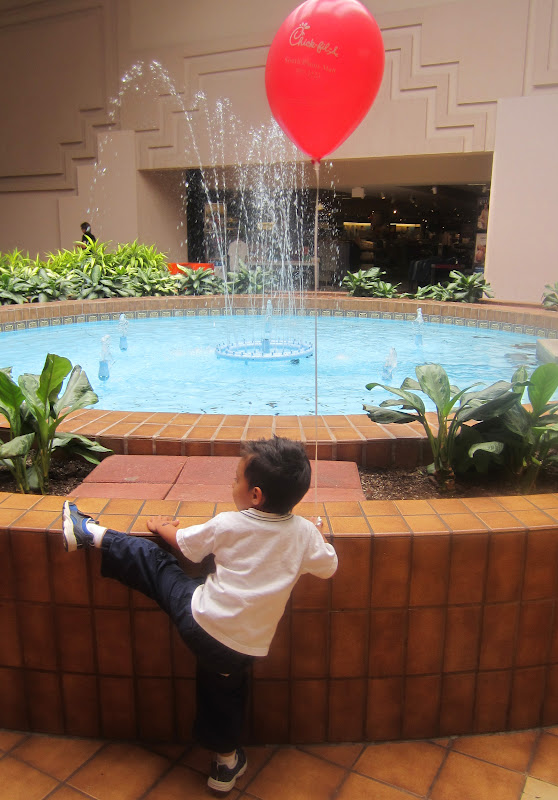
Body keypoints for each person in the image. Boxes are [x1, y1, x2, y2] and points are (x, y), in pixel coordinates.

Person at [61, 436, 337, 792]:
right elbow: (328, 567)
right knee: (225, 691)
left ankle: (88, 532)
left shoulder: (228, 523)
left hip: (202, 623)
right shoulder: (304, 534)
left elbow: (185, 546)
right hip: (246, 648)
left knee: (157, 563)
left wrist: (162, 527)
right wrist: (317, 535)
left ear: (255, 495)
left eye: (236, 479)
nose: (232, 484)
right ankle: (225, 763)